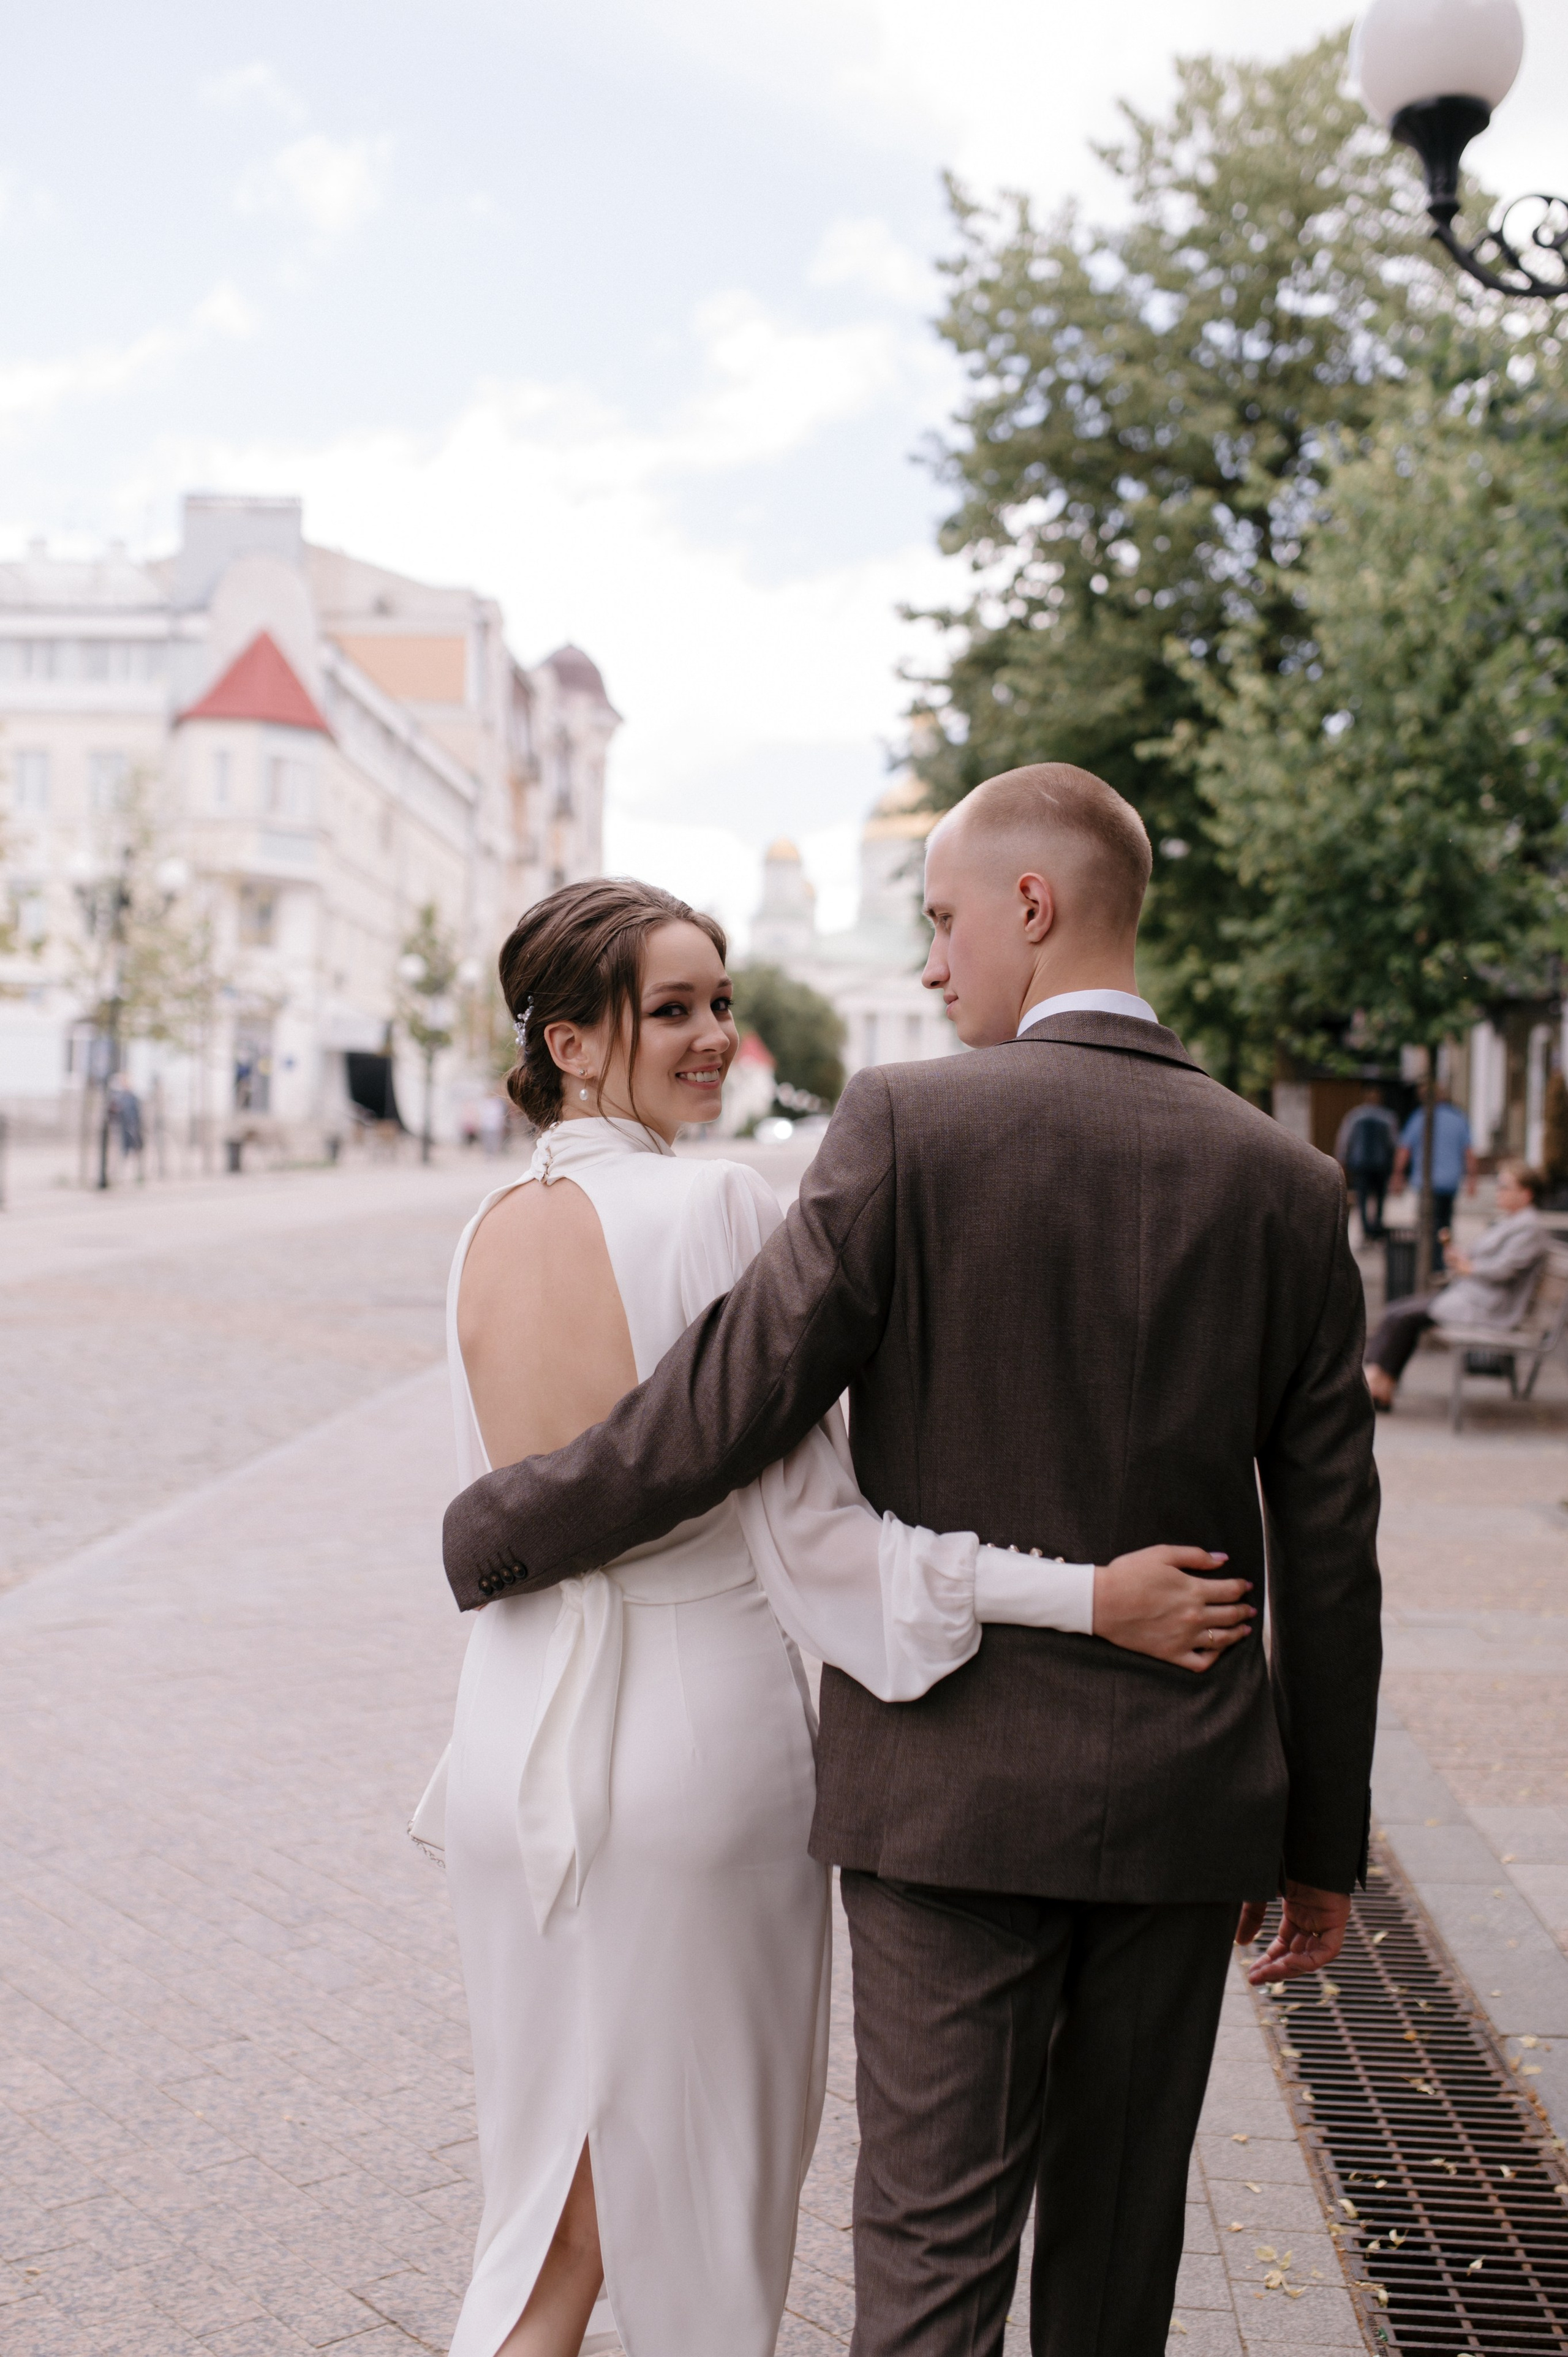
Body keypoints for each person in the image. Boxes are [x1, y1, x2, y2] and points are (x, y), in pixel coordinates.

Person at [442, 769, 1383, 2357]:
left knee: (909, 2262)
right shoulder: (1287, 1183)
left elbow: (721, 1415)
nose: (933, 963)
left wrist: (499, 1528)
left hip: (889, 1790)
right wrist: (1322, 1843)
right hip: (1171, 1795)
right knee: (1113, 2260)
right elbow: (1334, 1548)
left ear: (1030, 906)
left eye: (943, 920)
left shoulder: (903, 1126)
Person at [1365, 1159, 1548, 1408]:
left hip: (1490, 1307)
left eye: (1505, 1186)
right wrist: (1463, 1258)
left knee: (1403, 1317)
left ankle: (1375, 1382)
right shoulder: (1512, 1222)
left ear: (1526, 1194)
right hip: (1473, 1297)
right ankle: (1380, 1384)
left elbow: (1505, 1270)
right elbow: (1489, 1260)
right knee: (1398, 1313)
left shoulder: (1530, 1228)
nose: (1498, 1190)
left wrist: (1469, 1268)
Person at [1394, 1087, 1476, 1271]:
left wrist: (1397, 1175)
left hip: (1426, 1183)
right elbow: (1469, 1152)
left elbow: (1405, 1149)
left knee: (1427, 1225)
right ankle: (1440, 1263)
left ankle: (1429, 1265)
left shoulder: (1420, 1118)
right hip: (1449, 1182)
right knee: (1444, 1225)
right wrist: (1472, 1179)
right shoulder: (1459, 1119)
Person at [1335, 1085, 1398, 1242]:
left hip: (1361, 1163)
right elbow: (1394, 1142)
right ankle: (1376, 1227)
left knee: (1363, 1198)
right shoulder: (1387, 1117)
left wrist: (1341, 1159)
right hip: (1380, 1163)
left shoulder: (1355, 1116)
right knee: (1380, 1197)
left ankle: (1367, 1229)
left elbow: (1344, 1140)